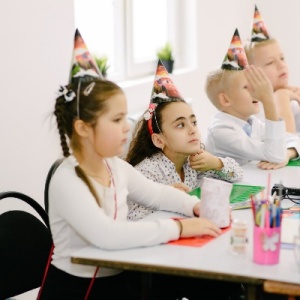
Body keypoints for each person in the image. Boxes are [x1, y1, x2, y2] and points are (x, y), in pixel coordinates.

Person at [40, 31, 243, 300]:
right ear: (83, 128)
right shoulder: (67, 180)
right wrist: (180, 227)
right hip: (78, 291)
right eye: (116, 120)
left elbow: (158, 194)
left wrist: (194, 207)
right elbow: (108, 235)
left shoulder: (115, 167)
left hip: (120, 278)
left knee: (219, 286)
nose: (127, 127)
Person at [126, 60, 243, 221]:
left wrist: (216, 163)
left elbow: (237, 174)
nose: (192, 129)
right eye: (180, 125)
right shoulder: (147, 172)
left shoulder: (194, 161)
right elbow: (132, 217)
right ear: (159, 140)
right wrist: (166, 196)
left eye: (193, 122)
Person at [205, 28, 300, 170]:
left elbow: (293, 140)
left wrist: (287, 153)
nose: (255, 92)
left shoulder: (251, 123)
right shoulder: (222, 130)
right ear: (225, 100)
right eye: (246, 87)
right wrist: (269, 101)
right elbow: (275, 154)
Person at [244, 5, 300, 134]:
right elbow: (286, 143)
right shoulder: (255, 111)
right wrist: (282, 98)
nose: (281, 65)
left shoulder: (292, 98)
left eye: (282, 58)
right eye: (270, 62)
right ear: (250, 74)